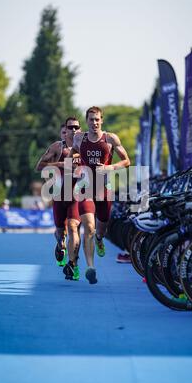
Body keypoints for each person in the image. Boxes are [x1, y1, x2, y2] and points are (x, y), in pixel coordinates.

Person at [71, 106, 130, 284]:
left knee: (101, 228)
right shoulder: (79, 138)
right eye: (91, 119)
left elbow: (127, 161)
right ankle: (90, 267)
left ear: (101, 120)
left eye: (97, 119)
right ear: (86, 121)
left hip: (104, 188)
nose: (94, 122)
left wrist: (110, 167)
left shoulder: (111, 138)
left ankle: (99, 239)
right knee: (89, 226)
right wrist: (76, 162)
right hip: (85, 187)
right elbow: (73, 151)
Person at [36, 117, 82, 280]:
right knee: (61, 232)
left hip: (77, 195)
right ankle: (60, 244)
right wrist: (60, 165)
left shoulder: (85, 146)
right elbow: (39, 166)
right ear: (65, 131)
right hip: (59, 195)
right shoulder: (57, 147)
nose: (73, 130)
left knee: (73, 227)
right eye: (70, 128)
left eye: (77, 127)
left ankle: (73, 265)